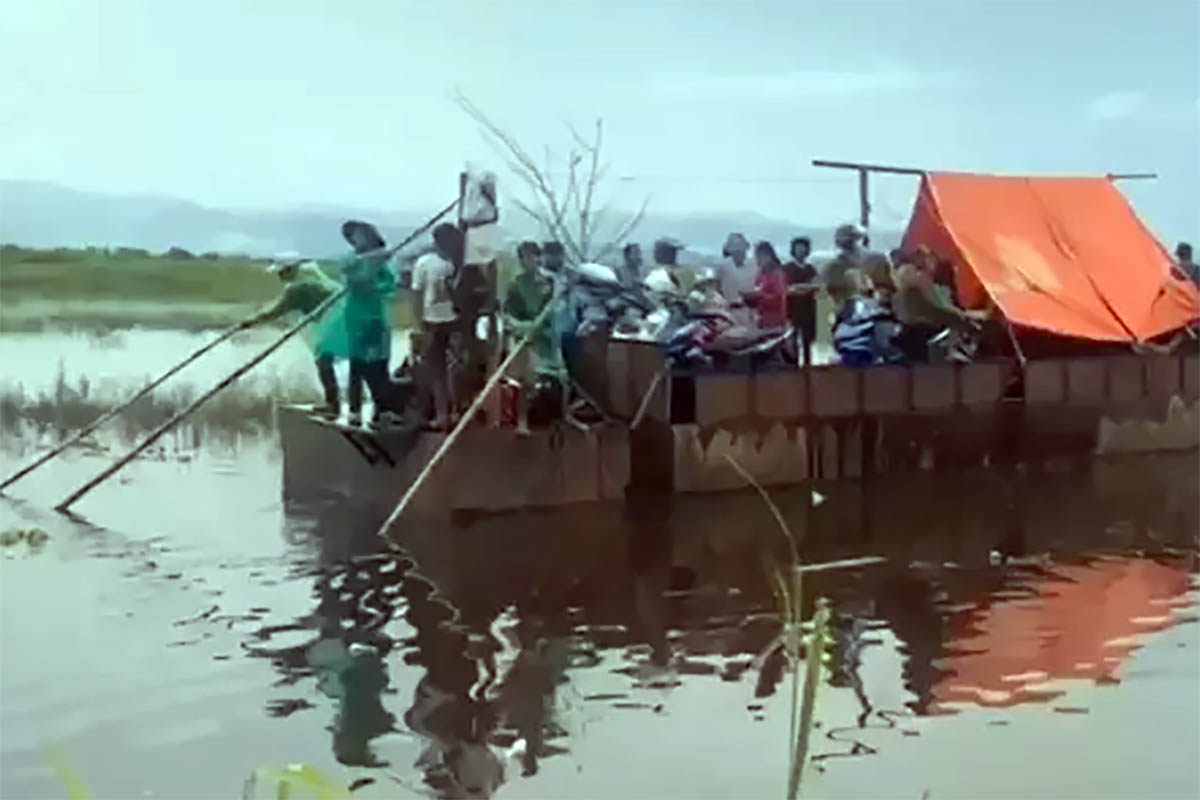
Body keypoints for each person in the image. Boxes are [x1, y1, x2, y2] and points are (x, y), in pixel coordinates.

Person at [241, 254, 349, 419]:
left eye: (282, 272)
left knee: (323, 359)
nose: (279, 276)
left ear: (291, 270)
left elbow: (274, 313)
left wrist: (250, 322)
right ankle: (348, 401)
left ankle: (333, 404)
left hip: (335, 320)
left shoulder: (297, 289)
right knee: (352, 361)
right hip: (347, 318)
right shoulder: (315, 279)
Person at [340, 220, 401, 428]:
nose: (355, 240)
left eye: (359, 235)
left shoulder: (383, 262)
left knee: (379, 365)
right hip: (356, 319)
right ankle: (354, 410)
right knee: (357, 366)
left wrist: (377, 282)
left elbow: (391, 285)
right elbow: (356, 278)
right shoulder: (351, 259)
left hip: (376, 319)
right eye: (352, 237)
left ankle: (381, 409)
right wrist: (371, 266)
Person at [411, 223, 463, 431]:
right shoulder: (424, 263)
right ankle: (442, 415)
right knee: (436, 372)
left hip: (456, 321)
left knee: (457, 367)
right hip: (432, 322)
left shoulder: (459, 263)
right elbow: (416, 294)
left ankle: (457, 410)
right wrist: (417, 324)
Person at [892, 246, 980, 361]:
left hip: (913, 336)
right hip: (929, 335)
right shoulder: (921, 284)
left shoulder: (900, 293)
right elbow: (938, 309)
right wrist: (961, 317)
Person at [503, 241, 555, 435]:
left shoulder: (548, 283)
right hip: (522, 338)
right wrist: (521, 328)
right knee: (524, 381)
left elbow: (550, 310)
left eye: (532, 257)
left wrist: (539, 326)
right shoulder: (515, 284)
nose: (529, 261)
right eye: (524, 257)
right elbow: (508, 314)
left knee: (548, 379)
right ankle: (521, 421)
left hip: (543, 337)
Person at [784, 237, 819, 366]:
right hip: (793, 308)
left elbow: (817, 286)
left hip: (809, 308)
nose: (801, 251)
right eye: (798, 249)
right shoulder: (787, 268)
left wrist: (802, 288)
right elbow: (788, 289)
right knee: (792, 339)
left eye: (803, 249)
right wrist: (805, 288)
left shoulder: (811, 268)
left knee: (808, 340)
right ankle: (793, 365)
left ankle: (807, 365)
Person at [824, 223, 869, 312]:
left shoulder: (861, 262)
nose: (856, 244)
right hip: (843, 310)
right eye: (853, 240)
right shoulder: (835, 266)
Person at [745, 241, 788, 329]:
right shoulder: (760, 275)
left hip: (775, 322)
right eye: (757, 256)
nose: (758, 259)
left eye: (761, 257)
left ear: (769, 257)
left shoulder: (778, 275)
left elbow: (780, 298)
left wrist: (760, 297)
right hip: (761, 321)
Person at [718, 232, 758, 325]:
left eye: (741, 250)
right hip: (728, 312)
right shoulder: (723, 266)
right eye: (736, 251)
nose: (739, 253)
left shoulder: (754, 265)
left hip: (749, 312)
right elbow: (717, 287)